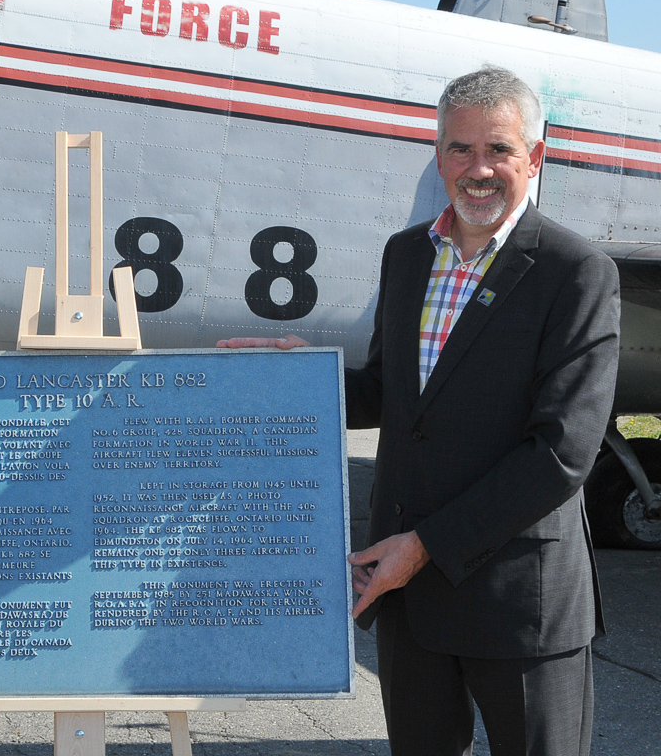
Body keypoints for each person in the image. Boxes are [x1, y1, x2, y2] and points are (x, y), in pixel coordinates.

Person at [221, 66, 619, 755]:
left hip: (519, 601)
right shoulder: (408, 256)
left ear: (535, 157)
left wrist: (425, 547)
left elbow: (561, 454)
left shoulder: (575, 271)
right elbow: (393, 393)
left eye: (499, 149)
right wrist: (304, 379)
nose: (479, 169)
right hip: (409, 598)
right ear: (438, 158)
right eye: (460, 150)